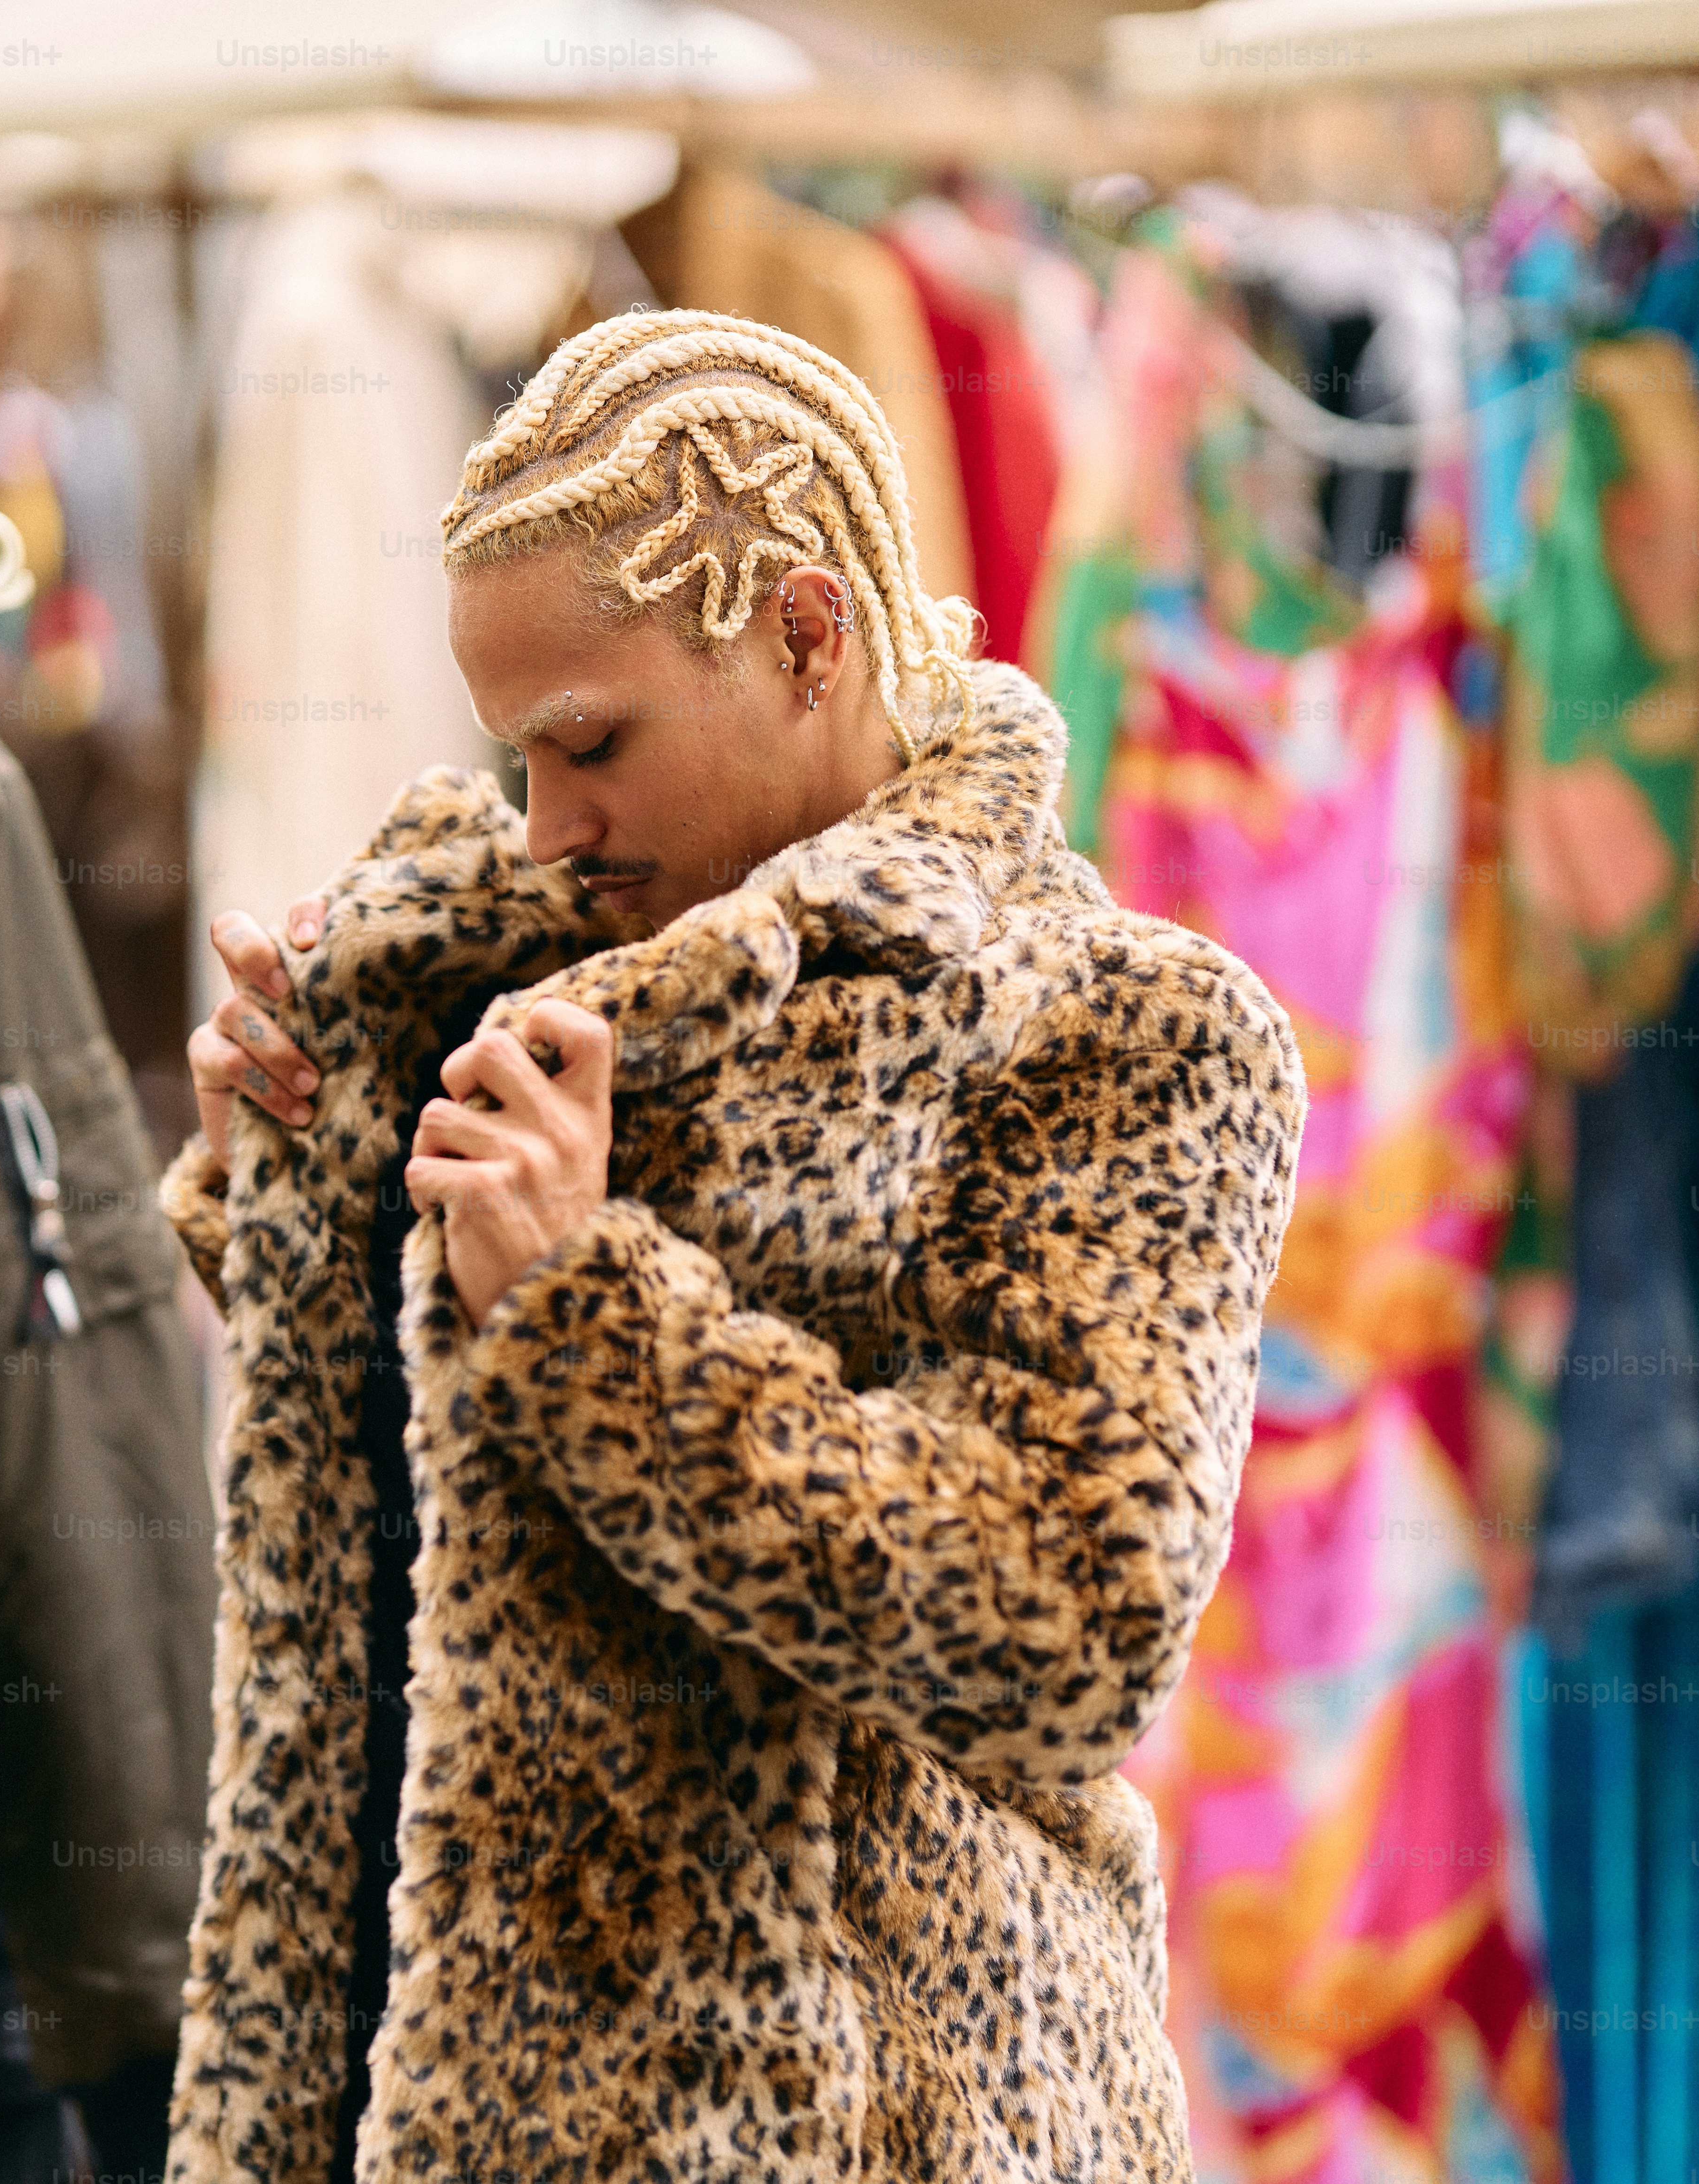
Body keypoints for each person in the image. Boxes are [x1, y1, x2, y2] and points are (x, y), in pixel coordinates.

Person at [161, 308, 1306, 2181]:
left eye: (588, 742)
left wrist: (591, 1317)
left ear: (801, 631)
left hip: (888, 2129)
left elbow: (1067, 1629)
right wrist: (296, 1188)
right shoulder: (493, 975)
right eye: (511, 755)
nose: (543, 825)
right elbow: (410, 1560)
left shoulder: (1118, 1025)